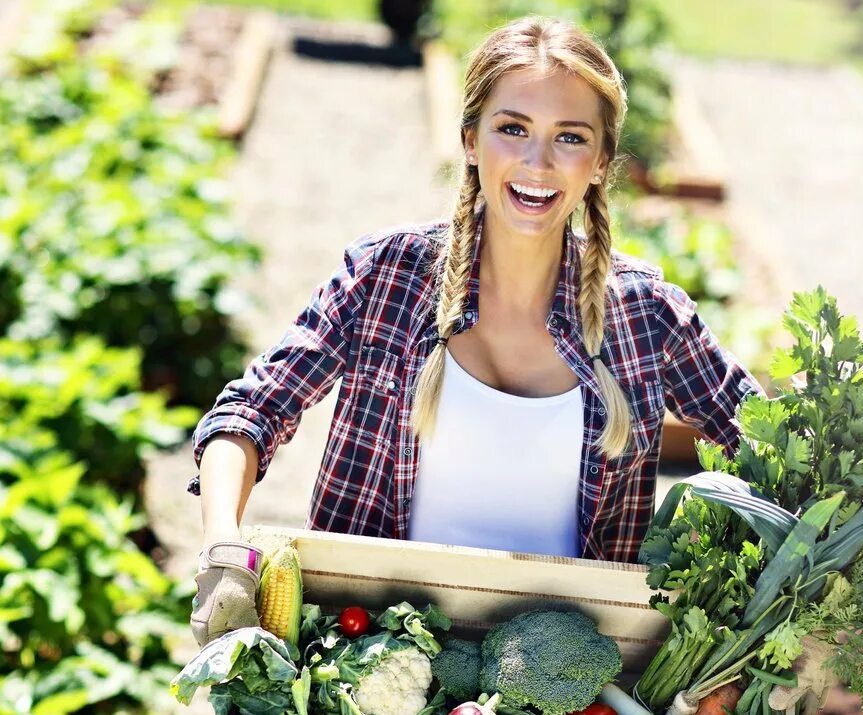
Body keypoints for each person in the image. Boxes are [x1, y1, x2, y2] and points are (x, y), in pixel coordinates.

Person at [188, 16, 763, 646]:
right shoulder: (390, 276)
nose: (537, 162)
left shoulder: (646, 315)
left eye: (569, 138)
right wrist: (223, 547)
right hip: (366, 657)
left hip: (562, 699)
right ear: (470, 140)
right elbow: (251, 412)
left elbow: (771, 450)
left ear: (600, 162)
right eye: (512, 129)